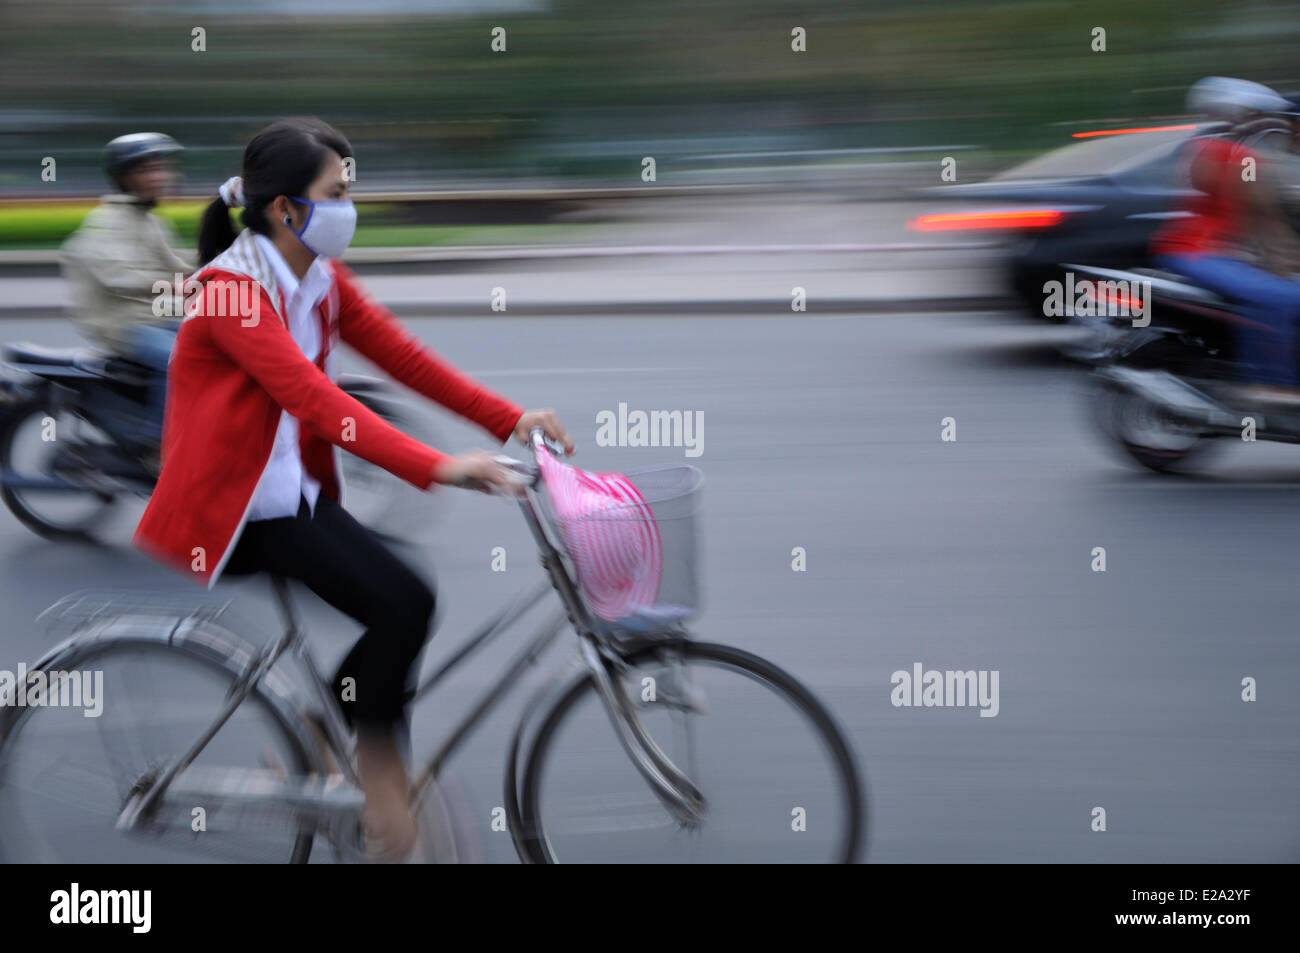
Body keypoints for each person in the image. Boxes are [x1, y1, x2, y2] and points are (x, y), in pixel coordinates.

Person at [131, 117, 573, 861]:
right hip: (234, 510)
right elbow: (313, 399)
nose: (349, 205)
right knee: (403, 600)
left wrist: (510, 417)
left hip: (290, 491)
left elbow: (406, 358)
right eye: (336, 191)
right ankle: (384, 795)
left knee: (400, 601)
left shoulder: (319, 278)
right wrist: (437, 466)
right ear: (287, 210)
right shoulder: (230, 293)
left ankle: (321, 735)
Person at [1151, 77, 1300, 404]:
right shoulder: (1236, 156)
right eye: (1263, 116)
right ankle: (1271, 384)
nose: (1278, 128)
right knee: (1282, 297)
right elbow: (1264, 215)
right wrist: (1285, 260)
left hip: (1203, 252)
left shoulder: (1202, 147)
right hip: (1201, 253)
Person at [60, 133, 193, 450]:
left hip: (154, 316)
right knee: (180, 359)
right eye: (147, 170)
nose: (159, 177)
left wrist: (230, 262)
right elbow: (116, 276)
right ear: (124, 176)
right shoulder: (106, 221)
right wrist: (175, 286)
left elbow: (179, 263)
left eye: (161, 168)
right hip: (124, 324)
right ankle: (157, 443)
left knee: (223, 340)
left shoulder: (151, 221)